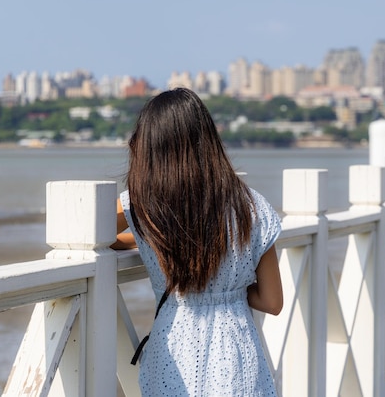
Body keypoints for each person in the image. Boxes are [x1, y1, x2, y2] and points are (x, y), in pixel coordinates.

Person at [112, 87, 283, 396]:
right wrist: (230, 288)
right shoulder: (253, 206)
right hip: (238, 360)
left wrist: (144, 239)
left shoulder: (144, 205)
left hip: (173, 356)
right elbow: (272, 302)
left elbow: (92, 230)